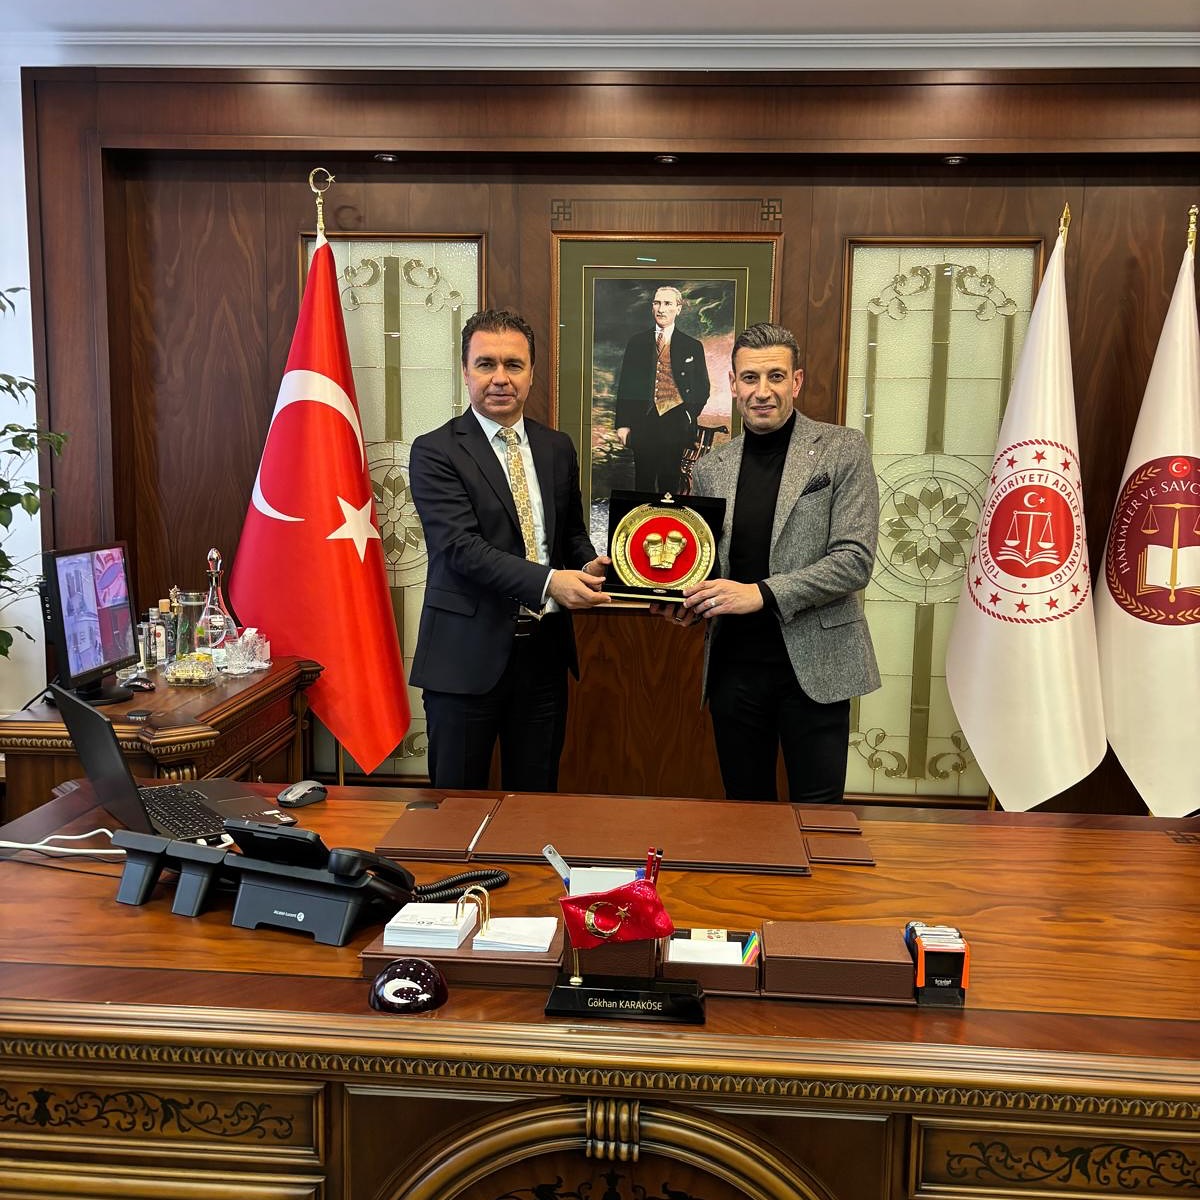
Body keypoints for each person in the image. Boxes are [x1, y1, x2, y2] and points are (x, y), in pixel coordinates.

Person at [673, 322, 880, 804]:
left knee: (819, 815)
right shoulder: (711, 467)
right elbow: (710, 566)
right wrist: (685, 601)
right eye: (750, 378)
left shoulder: (842, 449)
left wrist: (761, 593)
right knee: (745, 815)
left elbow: (853, 560)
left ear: (797, 381)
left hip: (816, 666)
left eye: (776, 377)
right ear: (733, 383)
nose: (762, 391)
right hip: (734, 671)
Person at [408, 309, 611, 791]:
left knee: (535, 804)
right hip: (464, 658)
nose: (500, 378)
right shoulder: (435, 451)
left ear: (531, 372)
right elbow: (460, 549)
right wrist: (551, 582)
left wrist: (590, 563)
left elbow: (569, 534)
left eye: (513, 365)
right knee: (456, 808)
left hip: (543, 657)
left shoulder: (556, 447)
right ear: (465, 371)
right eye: (486, 364)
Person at [614, 286, 711, 494]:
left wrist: (688, 414)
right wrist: (622, 424)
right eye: (657, 303)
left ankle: (668, 517)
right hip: (643, 422)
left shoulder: (692, 346)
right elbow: (625, 386)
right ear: (652, 307)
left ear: (678, 308)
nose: (661, 309)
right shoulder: (637, 342)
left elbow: (703, 388)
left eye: (667, 303)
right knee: (643, 483)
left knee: (670, 483)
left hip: (675, 423)